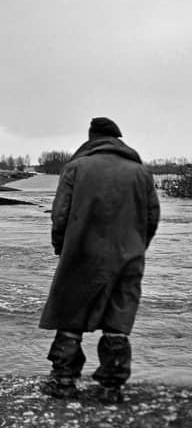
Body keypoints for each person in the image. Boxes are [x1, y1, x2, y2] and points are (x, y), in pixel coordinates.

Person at [39, 117, 160, 404]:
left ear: (91, 138)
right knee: (118, 319)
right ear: (119, 139)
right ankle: (111, 388)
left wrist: (61, 247)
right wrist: (137, 246)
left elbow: (60, 215)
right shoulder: (140, 172)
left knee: (70, 314)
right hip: (128, 254)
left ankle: (64, 382)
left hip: (82, 252)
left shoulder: (76, 168)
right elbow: (152, 217)